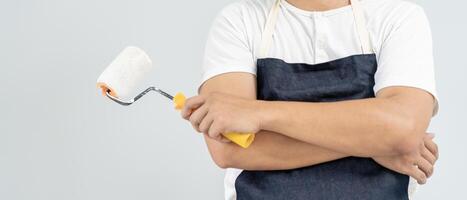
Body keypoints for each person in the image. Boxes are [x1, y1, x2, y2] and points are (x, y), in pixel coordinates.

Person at [181, 0, 439, 199]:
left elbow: (403, 127)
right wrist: (376, 144)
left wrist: (259, 113)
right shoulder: (239, 21)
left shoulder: (397, 17)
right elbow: (229, 147)